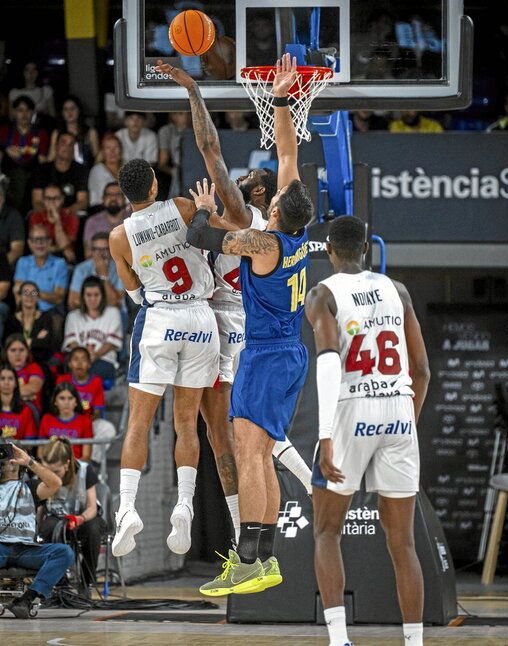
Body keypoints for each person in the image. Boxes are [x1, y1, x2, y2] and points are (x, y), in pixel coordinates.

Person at [156, 59, 313, 547]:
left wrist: (193, 90)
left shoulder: (253, 231)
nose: (242, 187)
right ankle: (258, 542)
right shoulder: (284, 227)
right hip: (270, 340)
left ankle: (252, 546)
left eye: (250, 188)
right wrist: (283, 98)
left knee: (240, 445)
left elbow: (209, 160)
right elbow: (287, 153)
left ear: (264, 200)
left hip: (243, 335)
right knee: (246, 444)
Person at [304, 215, 430, 646]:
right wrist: (404, 422)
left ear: (328, 250)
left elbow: (327, 363)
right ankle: (414, 642)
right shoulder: (398, 291)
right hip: (397, 408)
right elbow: (423, 371)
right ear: (366, 250)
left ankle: (339, 640)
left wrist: (324, 435)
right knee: (403, 544)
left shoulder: (322, 293)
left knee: (325, 531)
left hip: (351, 411)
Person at [109, 157, 220, 559]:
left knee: (138, 423)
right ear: (154, 186)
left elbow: (133, 290)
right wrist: (205, 208)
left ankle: (126, 510)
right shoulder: (182, 207)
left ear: (126, 194)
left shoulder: (119, 237)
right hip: (201, 318)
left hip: (160, 319)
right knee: (186, 424)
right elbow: (208, 234)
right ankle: (185, 504)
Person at [0, 440, 74, 619]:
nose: (6, 462)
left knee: (64, 552)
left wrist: (29, 462)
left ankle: (26, 599)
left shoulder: (31, 488)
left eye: (9, 459)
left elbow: (55, 483)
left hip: (26, 550)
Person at [39, 437, 106, 588]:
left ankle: (86, 582)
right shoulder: (43, 473)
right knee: (48, 527)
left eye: (56, 471)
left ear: (67, 464)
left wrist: (81, 518)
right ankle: (60, 584)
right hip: (57, 519)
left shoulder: (84, 470)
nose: (52, 475)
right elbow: (40, 508)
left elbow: (92, 507)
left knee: (93, 528)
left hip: (84, 517)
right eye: (48, 471)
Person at [57, 347, 116, 466]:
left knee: (107, 428)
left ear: (89, 364)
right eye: (75, 359)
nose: (79, 363)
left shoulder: (96, 382)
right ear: (69, 363)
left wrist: (83, 424)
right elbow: (56, 407)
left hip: (88, 422)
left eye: (83, 359)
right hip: (64, 422)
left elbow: (98, 412)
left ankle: (88, 464)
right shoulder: (62, 380)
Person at [63, 276, 123, 382]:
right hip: (78, 361)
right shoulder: (73, 316)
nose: (92, 299)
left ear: (102, 296)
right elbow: (72, 342)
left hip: (104, 359)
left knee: (96, 371)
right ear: (83, 296)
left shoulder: (113, 313)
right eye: (89, 295)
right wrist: (83, 358)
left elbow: (111, 343)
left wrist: (95, 355)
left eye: (96, 295)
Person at [0, 95, 49, 213]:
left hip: (32, 174)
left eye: (28, 110)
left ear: (33, 113)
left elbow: (43, 161)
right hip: (8, 173)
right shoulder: (4, 131)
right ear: (14, 112)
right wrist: (6, 149)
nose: (24, 114)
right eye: (20, 110)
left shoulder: (40, 134)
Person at [13, 224, 69, 314]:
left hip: (51, 312)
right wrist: (39, 295)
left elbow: (58, 298)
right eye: (35, 240)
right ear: (29, 243)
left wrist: (32, 293)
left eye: (43, 239)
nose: (39, 244)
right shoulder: (23, 262)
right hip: (27, 310)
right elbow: (18, 292)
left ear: (50, 242)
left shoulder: (60, 264)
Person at [3, 281, 61, 365]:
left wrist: (22, 343)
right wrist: (34, 341)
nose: (29, 295)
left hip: (41, 361)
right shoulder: (11, 319)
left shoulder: (45, 317)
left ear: (38, 297)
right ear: (20, 296)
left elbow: (45, 344)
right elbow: (8, 343)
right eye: (26, 292)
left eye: (34, 293)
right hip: (15, 363)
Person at [31, 131, 89, 214]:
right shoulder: (42, 169)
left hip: (70, 215)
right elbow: (37, 201)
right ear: (56, 146)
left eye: (71, 144)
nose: (67, 147)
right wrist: (51, 215)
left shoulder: (81, 170)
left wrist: (64, 214)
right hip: (45, 214)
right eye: (63, 143)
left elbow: (83, 202)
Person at [68, 233, 124, 310]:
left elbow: (115, 302)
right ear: (92, 251)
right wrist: (95, 310)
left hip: (112, 314)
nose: (101, 253)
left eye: (105, 249)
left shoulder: (120, 267)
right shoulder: (81, 268)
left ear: (111, 250)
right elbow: (73, 302)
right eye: (96, 249)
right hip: (87, 314)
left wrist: (103, 276)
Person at [38, 382, 92, 462]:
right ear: (55, 401)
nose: (66, 402)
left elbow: (86, 456)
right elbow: (40, 453)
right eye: (62, 398)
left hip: (76, 467)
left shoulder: (85, 421)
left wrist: (69, 467)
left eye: (70, 398)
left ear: (76, 402)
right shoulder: (46, 419)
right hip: (50, 466)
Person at [28, 183, 80, 263]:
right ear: (43, 200)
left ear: (62, 200)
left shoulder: (72, 218)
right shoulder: (35, 218)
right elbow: (36, 246)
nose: (52, 202)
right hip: (42, 257)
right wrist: (59, 249)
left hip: (64, 260)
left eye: (56, 198)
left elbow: (64, 244)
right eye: (48, 198)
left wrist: (58, 221)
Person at [47, 95, 100, 165]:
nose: (69, 112)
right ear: (62, 113)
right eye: (66, 109)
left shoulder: (91, 132)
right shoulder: (57, 133)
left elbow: (97, 158)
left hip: (86, 171)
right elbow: (51, 157)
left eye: (73, 108)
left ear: (79, 110)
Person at [3, 333, 45, 418]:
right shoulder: (2, 370)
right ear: (6, 353)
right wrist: (23, 396)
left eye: (21, 350)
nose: (17, 354)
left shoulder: (34, 368)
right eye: (13, 350)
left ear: (27, 352)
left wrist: (6, 394)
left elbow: (34, 388)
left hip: (29, 410)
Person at [82, 183, 129, 256]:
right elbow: (88, 254)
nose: (113, 198)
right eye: (109, 195)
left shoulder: (133, 220)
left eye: (118, 195)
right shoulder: (92, 222)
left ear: (124, 199)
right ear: (103, 199)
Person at [157, 112, 190, 199]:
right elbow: (162, 164)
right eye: (181, 114)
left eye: (189, 114)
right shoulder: (166, 131)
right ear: (173, 116)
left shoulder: (197, 130)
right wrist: (175, 172)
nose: (186, 117)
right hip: (175, 168)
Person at [0, 363, 37, 441]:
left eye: (10, 378)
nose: (6, 382)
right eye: (2, 378)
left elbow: (30, 443)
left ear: (16, 383)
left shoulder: (26, 410)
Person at [87, 135, 125, 209]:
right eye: (108, 148)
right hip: (102, 210)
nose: (112, 151)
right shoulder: (97, 170)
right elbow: (103, 197)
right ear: (103, 152)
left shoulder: (128, 170)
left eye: (116, 148)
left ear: (121, 151)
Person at [0, 173, 25, 265]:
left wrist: (2, 267)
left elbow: (17, 250)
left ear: (1, 199)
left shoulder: (13, 216)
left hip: (4, 267)